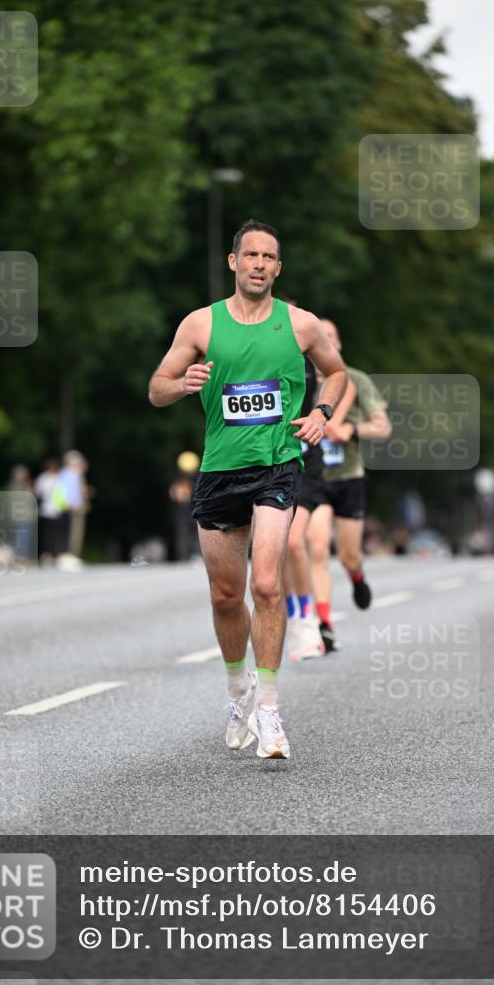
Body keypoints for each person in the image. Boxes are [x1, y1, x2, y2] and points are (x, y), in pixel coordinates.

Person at [148, 219, 347, 759]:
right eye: (250, 255)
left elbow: (336, 373)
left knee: (266, 585)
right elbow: (157, 387)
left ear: (278, 268)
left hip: (278, 464)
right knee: (225, 595)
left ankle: (271, 713)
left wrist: (321, 414)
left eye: (269, 256)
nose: (259, 263)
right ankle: (239, 690)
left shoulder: (301, 325)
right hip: (219, 471)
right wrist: (182, 384)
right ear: (233, 262)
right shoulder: (201, 324)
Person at [287, 318, 391, 655]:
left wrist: (352, 430)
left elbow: (383, 426)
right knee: (316, 548)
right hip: (314, 478)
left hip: (347, 476)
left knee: (348, 554)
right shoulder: (297, 376)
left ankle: (357, 576)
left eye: (331, 337)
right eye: (321, 337)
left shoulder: (355, 380)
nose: (325, 342)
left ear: (339, 345)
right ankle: (323, 625)